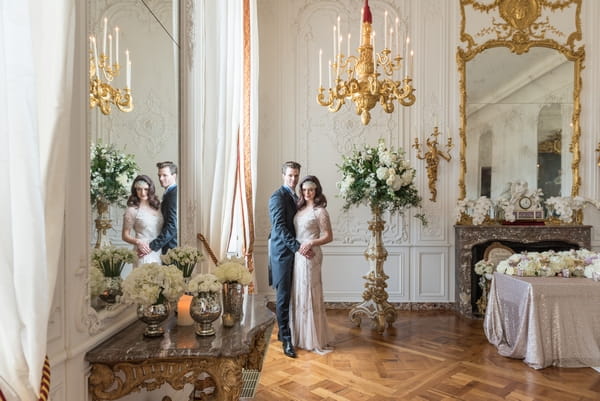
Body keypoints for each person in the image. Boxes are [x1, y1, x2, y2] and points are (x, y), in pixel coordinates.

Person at [268, 161, 312, 358]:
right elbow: (279, 228)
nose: (293, 179)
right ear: (283, 175)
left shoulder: (297, 196)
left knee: (295, 295)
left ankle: (284, 332)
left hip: (295, 253)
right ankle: (286, 340)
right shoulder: (277, 197)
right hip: (283, 254)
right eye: (290, 176)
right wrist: (298, 249)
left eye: (296, 175)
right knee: (283, 297)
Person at [290, 175, 334, 354]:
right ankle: (300, 336)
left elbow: (328, 236)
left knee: (309, 292)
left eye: (311, 189)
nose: (307, 193)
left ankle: (314, 338)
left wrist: (311, 243)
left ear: (316, 191)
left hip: (311, 254)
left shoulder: (320, 211)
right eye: (305, 190)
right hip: (297, 254)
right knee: (299, 293)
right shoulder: (299, 209)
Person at [138, 161, 178, 258]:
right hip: (165, 246)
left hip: (171, 247)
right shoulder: (169, 193)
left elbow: (172, 226)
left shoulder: (173, 194)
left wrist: (152, 246)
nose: (161, 179)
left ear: (174, 176)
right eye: (159, 175)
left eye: (165, 175)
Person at [122, 175, 164, 266]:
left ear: (151, 189)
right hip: (143, 251)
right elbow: (125, 235)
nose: (143, 193)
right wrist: (138, 242)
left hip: (159, 250)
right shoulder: (132, 210)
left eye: (146, 189)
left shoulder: (159, 205)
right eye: (139, 189)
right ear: (135, 190)